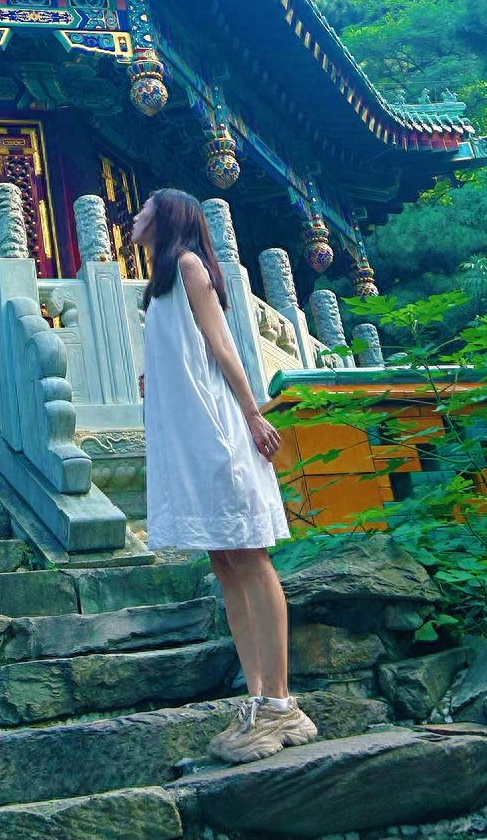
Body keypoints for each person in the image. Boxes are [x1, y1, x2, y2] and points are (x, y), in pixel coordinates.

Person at [134, 186, 316, 763]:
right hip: (189, 441)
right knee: (224, 561)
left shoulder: (189, 267)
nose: (135, 216)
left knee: (249, 556)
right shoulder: (159, 286)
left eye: (144, 209)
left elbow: (223, 347)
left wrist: (252, 414)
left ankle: (280, 704)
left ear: (167, 218)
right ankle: (260, 697)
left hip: (217, 434)